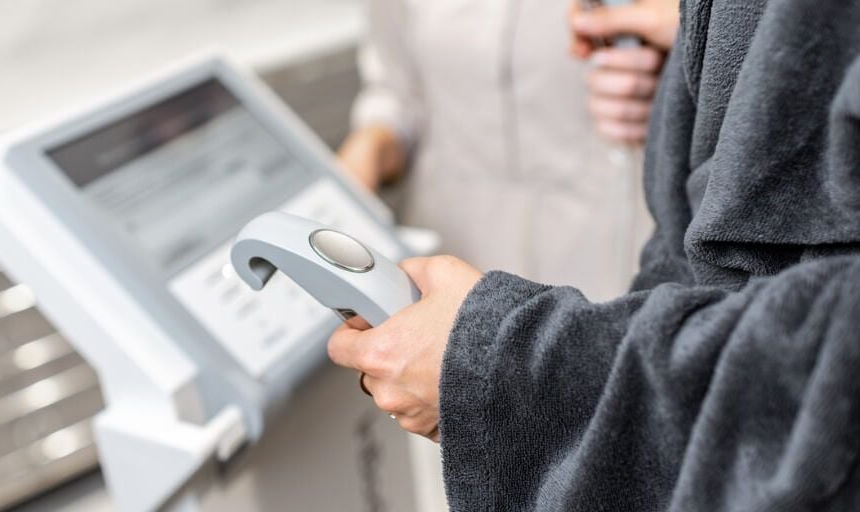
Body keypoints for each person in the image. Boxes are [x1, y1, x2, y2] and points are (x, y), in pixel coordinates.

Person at [329, 0, 860, 510]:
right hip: (443, 268)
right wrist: (365, 155)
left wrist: (679, 81)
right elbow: (395, 94)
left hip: (594, 276)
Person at [338, 0, 675, 302]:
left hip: (600, 251)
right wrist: (370, 147)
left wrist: (675, 89)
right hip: (448, 247)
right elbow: (398, 95)